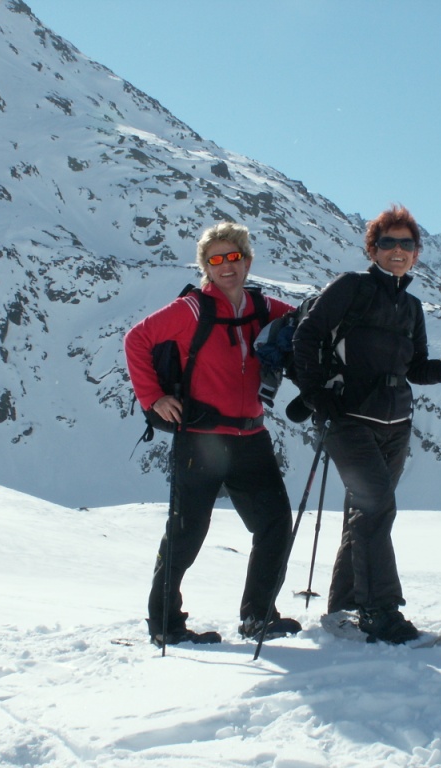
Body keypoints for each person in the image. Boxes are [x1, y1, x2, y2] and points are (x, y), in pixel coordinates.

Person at [291, 205, 441, 644]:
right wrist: (316, 396)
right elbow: (307, 335)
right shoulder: (350, 288)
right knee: (377, 507)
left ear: (416, 253)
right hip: (347, 421)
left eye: (407, 243)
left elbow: (417, 370)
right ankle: (381, 613)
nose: (398, 250)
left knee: (367, 513)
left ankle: (344, 609)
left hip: (396, 425)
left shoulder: (411, 307)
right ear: (373, 249)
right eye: (388, 242)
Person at [124, 222, 302, 647]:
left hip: (251, 437)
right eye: (216, 259)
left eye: (233, 256)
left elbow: (305, 322)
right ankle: (165, 624)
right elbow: (137, 339)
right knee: (186, 532)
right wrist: (153, 398)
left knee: (275, 523)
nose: (226, 266)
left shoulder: (264, 308)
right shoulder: (191, 310)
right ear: (205, 266)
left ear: (247, 260)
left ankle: (258, 616)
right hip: (200, 438)